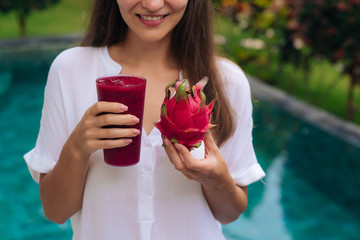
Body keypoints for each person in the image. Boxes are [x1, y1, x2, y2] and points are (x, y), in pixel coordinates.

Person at [24, 0, 265, 239]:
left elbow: (229, 214)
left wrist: (217, 179)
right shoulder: (70, 70)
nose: (152, 5)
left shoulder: (227, 81)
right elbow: (55, 211)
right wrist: (77, 148)